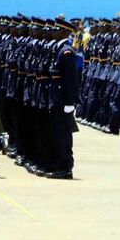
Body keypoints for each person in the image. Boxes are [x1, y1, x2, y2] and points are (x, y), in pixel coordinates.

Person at [46, 18, 79, 179]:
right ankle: (59, 164)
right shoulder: (59, 48)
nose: (53, 31)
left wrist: (69, 102)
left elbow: (71, 80)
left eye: (57, 29)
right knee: (57, 133)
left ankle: (66, 167)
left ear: (64, 31)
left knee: (63, 134)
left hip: (62, 99)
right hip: (56, 97)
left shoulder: (67, 51)